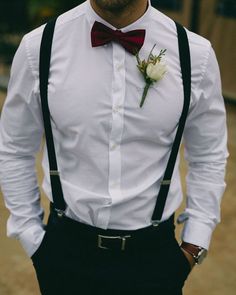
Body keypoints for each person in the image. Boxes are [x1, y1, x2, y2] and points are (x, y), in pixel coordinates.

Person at [0, 0, 228, 294]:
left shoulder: (195, 54)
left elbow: (208, 154)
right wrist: (32, 237)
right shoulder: (39, 47)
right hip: (64, 254)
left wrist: (195, 242)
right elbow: (15, 147)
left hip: (155, 259)